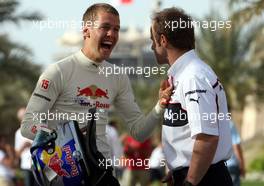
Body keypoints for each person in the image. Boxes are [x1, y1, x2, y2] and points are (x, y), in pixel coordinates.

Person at [21, 3, 172, 184]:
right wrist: (63, 138)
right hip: (65, 176)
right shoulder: (58, 71)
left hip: (102, 174)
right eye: (105, 27)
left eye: (116, 29)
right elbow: (28, 125)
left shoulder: (117, 76)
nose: (112, 34)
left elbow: (139, 132)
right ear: (86, 31)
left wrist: (160, 106)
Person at [150, 7, 233, 186]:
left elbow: (207, 137)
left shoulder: (193, 77)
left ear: (163, 40)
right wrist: (177, 169)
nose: (151, 47)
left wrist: (190, 181)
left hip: (204, 179)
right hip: (197, 175)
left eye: (153, 40)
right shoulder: (185, 75)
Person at [15, 107, 37, 186]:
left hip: (39, 163)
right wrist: (23, 146)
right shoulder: (18, 133)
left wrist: (32, 145)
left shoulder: (37, 128)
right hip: (26, 167)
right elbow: (17, 154)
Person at [227, 121, 245, 186]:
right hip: (231, 165)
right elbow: (236, 147)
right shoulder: (229, 124)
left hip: (217, 166)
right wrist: (242, 166)